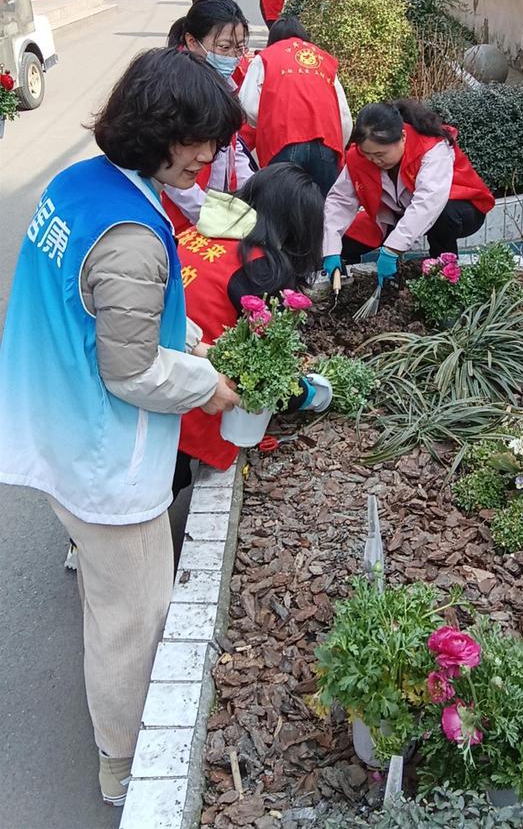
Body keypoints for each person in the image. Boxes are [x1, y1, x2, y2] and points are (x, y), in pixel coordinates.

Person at [0, 48, 243, 807]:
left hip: (51, 423)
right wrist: (210, 384)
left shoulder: (80, 183)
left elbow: (108, 317)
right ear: (156, 130)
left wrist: (190, 343)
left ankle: (117, 733)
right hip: (100, 451)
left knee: (109, 600)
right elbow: (132, 371)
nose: (208, 157)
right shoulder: (132, 235)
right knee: (133, 620)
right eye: (196, 140)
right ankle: (125, 764)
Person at [173, 164, 332, 494]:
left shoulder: (200, 230)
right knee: (163, 484)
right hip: (191, 394)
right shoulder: (259, 267)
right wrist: (310, 394)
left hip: (158, 365)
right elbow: (261, 370)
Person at [322, 99, 495, 284]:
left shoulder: (431, 147)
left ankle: (444, 271)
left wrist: (392, 250)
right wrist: (331, 249)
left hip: (461, 209)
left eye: (380, 154)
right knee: (345, 237)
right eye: (368, 155)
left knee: (444, 217)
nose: (374, 161)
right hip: (399, 213)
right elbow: (339, 201)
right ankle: (341, 280)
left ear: (403, 137)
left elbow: (428, 203)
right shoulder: (360, 157)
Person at [162, 0, 256, 231]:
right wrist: (209, 212)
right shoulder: (175, 88)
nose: (233, 56)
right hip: (180, 214)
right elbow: (167, 168)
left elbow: (232, 149)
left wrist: (254, 191)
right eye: (224, 47)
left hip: (213, 202)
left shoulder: (227, 82)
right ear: (192, 41)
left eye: (240, 47)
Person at [240, 16, 352, 197]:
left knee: (282, 211)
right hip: (326, 144)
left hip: (283, 142)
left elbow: (248, 104)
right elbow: (344, 116)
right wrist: (338, 147)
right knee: (323, 211)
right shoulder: (324, 59)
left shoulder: (266, 57)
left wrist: (265, 122)